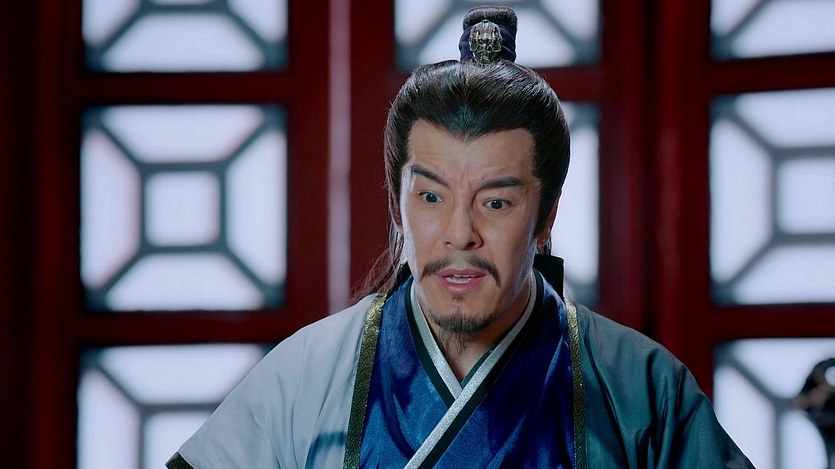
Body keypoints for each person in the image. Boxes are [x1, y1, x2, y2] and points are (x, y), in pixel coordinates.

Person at [167, 6, 753, 468]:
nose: (459, 234)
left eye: (495, 202)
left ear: (546, 217)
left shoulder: (641, 389)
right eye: (431, 197)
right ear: (397, 207)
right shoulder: (306, 377)